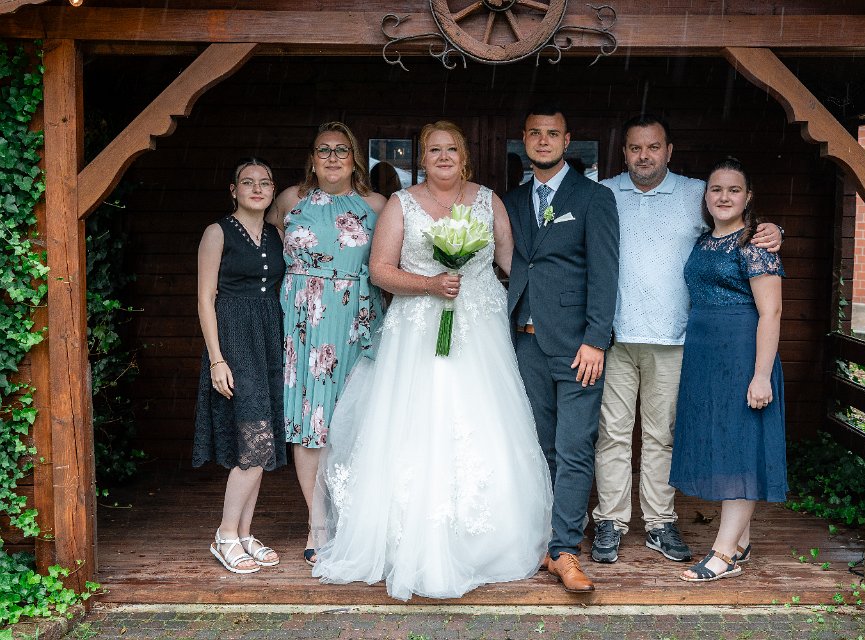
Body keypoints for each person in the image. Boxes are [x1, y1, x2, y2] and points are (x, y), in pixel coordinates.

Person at [311, 120, 552, 601]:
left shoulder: (489, 201)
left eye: (452, 149)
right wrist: (429, 285)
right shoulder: (401, 204)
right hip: (418, 332)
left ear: (465, 157)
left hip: (480, 331)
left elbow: (512, 263)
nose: (443, 157)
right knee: (417, 424)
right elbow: (380, 270)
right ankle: (406, 536)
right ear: (422, 159)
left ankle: (491, 538)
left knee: (484, 423)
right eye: (434, 150)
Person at [591, 116, 783, 566]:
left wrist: (774, 230)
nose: (644, 155)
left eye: (653, 147)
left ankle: (659, 522)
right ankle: (611, 521)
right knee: (612, 434)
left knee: (662, 436)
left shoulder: (695, 193)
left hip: (675, 339)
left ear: (669, 151)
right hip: (615, 335)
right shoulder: (603, 193)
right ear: (624, 152)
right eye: (635, 147)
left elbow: (738, 222)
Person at [503, 104, 619, 593]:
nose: (543, 141)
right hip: (525, 343)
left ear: (567, 140)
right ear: (525, 140)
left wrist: (596, 339)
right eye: (535, 133)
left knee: (574, 448)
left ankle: (565, 549)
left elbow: (605, 273)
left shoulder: (593, 197)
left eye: (552, 133)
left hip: (576, 347)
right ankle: (542, 542)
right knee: (538, 448)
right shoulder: (512, 200)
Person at [270, 122, 385, 567]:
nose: (333, 157)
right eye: (324, 150)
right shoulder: (290, 201)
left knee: (353, 420)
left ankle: (351, 515)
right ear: (312, 160)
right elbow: (265, 243)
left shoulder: (376, 205)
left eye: (341, 150)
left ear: (355, 158)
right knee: (309, 419)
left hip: (357, 320)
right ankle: (317, 521)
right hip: (305, 322)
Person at [669, 157, 787, 581]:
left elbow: (771, 312)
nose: (724, 197)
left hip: (742, 355)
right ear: (705, 196)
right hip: (705, 357)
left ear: (748, 197)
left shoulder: (756, 245)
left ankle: (723, 555)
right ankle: (740, 542)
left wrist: (761, 375)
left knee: (741, 450)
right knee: (725, 444)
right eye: (716, 189)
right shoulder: (704, 241)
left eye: (733, 190)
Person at [194, 157, 286, 574]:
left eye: (264, 182)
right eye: (248, 182)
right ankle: (226, 534)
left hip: (269, 338)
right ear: (234, 190)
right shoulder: (217, 232)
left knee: (262, 441)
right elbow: (205, 298)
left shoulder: (276, 234)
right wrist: (217, 358)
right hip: (233, 338)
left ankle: (245, 534)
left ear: (272, 190)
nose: (257, 188)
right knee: (254, 439)